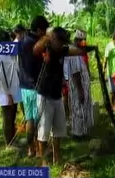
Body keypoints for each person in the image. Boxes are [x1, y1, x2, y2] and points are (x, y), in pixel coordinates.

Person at [33, 26, 94, 164]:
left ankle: (57, 158)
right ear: (53, 39)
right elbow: (35, 50)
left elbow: (78, 51)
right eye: (60, 41)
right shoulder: (46, 49)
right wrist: (48, 37)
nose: (62, 44)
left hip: (57, 96)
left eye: (63, 41)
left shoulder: (63, 50)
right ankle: (44, 162)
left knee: (59, 130)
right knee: (43, 131)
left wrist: (89, 48)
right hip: (45, 96)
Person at [18, 15, 49, 157]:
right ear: (38, 30)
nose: (45, 33)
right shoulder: (35, 43)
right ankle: (39, 150)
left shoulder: (23, 40)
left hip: (24, 85)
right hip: (35, 86)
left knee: (30, 118)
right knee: (39, 119)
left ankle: (31, 149)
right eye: (44, 30)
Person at [0, 31, 22, 148]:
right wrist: (8, 94)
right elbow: (1, 78)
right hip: (6, 92)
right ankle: (9, 143)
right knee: (8, 117)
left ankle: (13, 140)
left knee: (12, 116)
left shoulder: (9, 54)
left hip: (14, 89)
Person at [64, 34, 94, 139]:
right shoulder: (74, 54)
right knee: (78, 108)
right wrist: (80, 90)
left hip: (81, 85)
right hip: (78, 86)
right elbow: (75, 73)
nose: (83, 43)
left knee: (82, 107)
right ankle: (78, 133)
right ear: (77, 41)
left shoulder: (77, 53)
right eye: (81, 41)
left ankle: (83, 131)